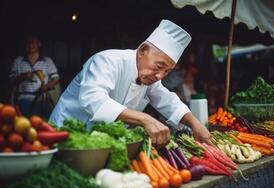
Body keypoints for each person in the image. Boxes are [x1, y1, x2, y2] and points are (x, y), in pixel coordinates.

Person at [50, 19, 211, 146]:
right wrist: (145, 119)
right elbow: (93, 99)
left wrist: (194, 123)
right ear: (142, 51)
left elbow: (168, 101)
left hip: (98, 140)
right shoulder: (107, 60)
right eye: (159, 66)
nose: (159, 76)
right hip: (65, 133)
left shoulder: (149, 77)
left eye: (167, 71)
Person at [9, 34, 60, 119]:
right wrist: (23, 76)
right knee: (24, 125)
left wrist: (46, 86)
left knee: (41, 125)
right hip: (22, 100)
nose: (30, 45)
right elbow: (11, 80)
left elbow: (56, 78)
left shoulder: (47, 61)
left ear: (39, 44)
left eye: (33, 42)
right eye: (28, 43)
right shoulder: (18, 61)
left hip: (41, 100)